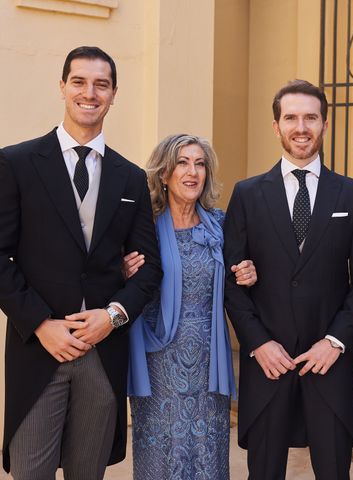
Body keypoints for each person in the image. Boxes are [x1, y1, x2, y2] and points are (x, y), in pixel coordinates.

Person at [0, 46, 162, 478]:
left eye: (101, 85)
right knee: (30, 471)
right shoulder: (15, 163)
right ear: (62, 87)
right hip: (38, 350)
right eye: (80, 82)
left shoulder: (131, 178)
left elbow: (149, 270)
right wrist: (39, 323)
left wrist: (113, 315)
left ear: (113, 95)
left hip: (102, 351)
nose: (90, 93)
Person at [223, 79, 353, 480]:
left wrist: (336, 342)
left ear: (325, 124)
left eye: (311, 117)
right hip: (268, 365)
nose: (301, 127)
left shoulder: (350, 193)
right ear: (276, 126)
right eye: (291, 117)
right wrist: (258, 343)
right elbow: (230, 281)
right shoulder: (247, 194)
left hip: (328, 363)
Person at [125, 134, 257, 479]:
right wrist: (121, 273)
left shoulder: (221, 225)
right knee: (160, 454)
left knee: (207, 453)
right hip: (159, 363)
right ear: (164, 173)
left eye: (200, 164)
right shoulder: (143, 228)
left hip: (207, 362)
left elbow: (239, 274)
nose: (192, 171)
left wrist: (248, 272)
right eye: (183, 162)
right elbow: (122, 282)